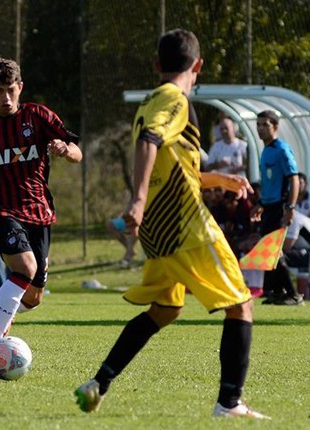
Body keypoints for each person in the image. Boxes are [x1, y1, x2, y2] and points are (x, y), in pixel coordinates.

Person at [74, 29, 269, 419]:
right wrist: (138, 199)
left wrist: (222, 180)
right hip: (187, 226)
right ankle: (229, 403)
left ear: (156, 65)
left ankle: (98, 382)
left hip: (159, 234)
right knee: (241, 304)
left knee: (165, 310)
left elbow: (177, 165)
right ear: (197, 67)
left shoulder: (150, 100)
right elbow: (149, 141)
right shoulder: (175, 100)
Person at [0, 56, 82, 365]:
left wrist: (66, 151)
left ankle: (4, 302)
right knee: (25, 268)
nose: (6, 98)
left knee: (33, 297)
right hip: (0, 210)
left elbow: (76, 151)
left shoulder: (38, 116)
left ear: (20, 87)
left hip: (38, 211)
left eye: (11, 90)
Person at [249, 110, 303, 306]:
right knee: (268, 251)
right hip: (269, 207)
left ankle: (293, 294)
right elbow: (271, 184)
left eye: (265, 125)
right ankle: (277, 291)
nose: (260, 128)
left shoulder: (282, 149)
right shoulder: (266, 150)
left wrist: (290, 207)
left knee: (273, 251)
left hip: (280, 208)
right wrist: (261, 204)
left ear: (275, 127)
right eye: (258, 125)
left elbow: (294, 179)